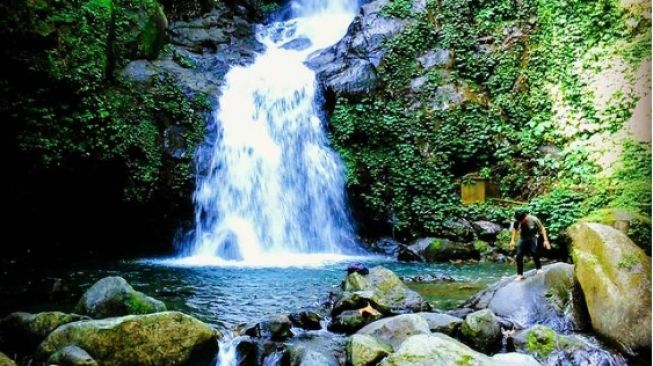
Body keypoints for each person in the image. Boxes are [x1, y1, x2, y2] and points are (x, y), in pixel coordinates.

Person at [509, 210, 551, 280]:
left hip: (533, 237)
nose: (521, 222)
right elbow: (514, 229)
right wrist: (512, 240)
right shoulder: (517, 221)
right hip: (523, 238)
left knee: (534, 251)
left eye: (522, 220)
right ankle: (520, 274)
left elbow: (542, 229)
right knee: (519, 255)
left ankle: (539, 268)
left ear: (525, 216)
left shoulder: (534, 219)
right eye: (520, 221)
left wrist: (546, 240)